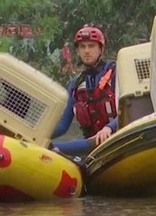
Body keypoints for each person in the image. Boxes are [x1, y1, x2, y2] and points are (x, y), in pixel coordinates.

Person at [51, 25, 118, 155]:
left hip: (116, 134)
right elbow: (64, 124)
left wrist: (109, 127)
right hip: (91, 141)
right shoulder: (75, 84)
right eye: (82, 46)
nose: (86, 51)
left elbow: (128, 111)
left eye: (91, 46)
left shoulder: (115, 73)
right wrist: (39, 134)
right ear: (77, 51)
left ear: (101, 49)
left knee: (55, 147)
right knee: (49, 146)